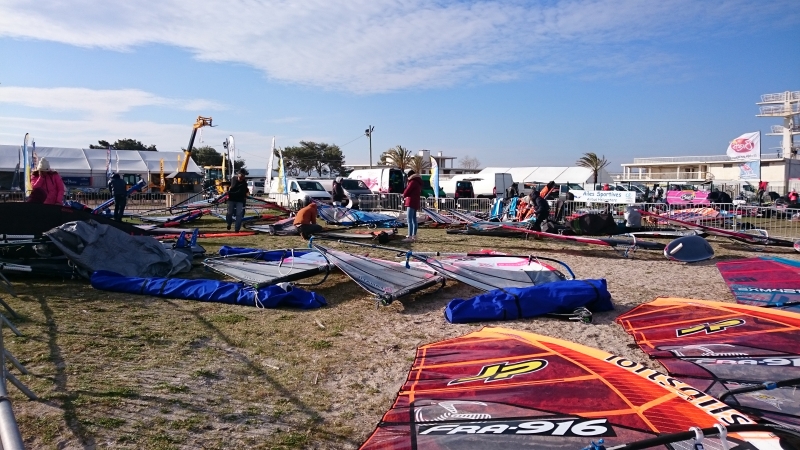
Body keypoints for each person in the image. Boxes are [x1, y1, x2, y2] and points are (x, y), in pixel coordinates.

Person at [402, 170, 422, 242]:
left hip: (411, 202)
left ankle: (410, 236)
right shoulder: (418, 182)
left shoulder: (412, 182)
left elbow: (407, 191)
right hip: (415, 202)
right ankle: (414, 235)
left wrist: (403, 195)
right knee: (414, 220)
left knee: (409, 219)